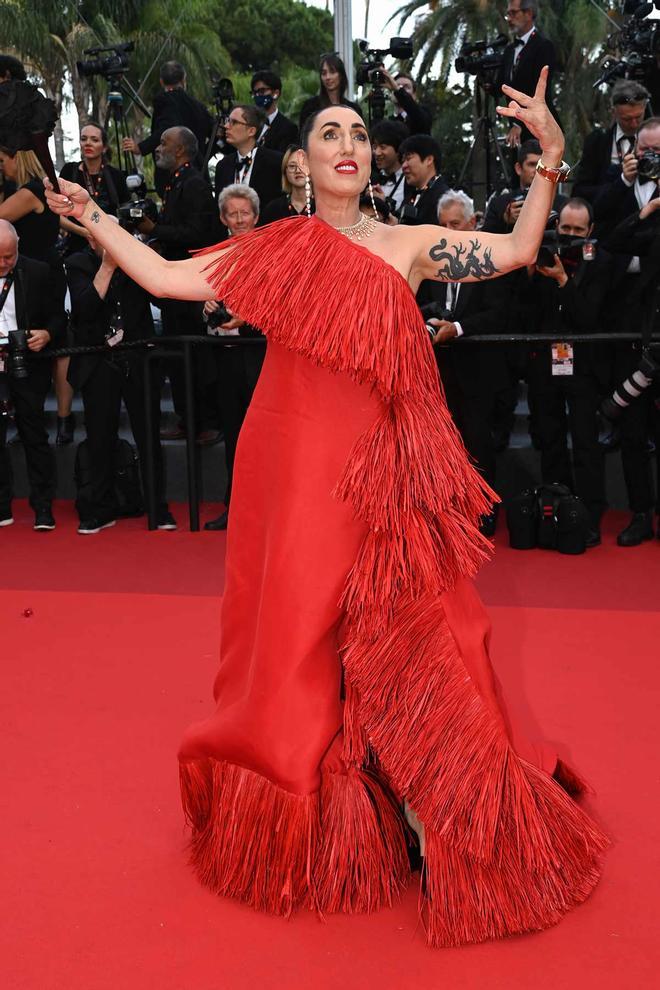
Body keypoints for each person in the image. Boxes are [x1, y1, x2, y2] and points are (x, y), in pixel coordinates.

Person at [46, 70, 608, 947]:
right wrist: (95, 218)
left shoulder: (410, 243)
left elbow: (512, 251)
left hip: (389, 482)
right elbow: (160, 278)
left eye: (354, 132)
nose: (344, 144)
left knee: (429, 635)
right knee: (302, 641)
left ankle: (442, 823)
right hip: (298, 472)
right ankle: (330, 813)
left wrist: (551, 159)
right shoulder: (272, 251)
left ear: (369, 158)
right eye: (326, 135)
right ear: (302, 163)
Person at [65, 226, 177, 534]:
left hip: (138, 358)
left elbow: (164, 294)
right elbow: (85, 310)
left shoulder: (137, 260)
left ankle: (159, 508)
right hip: (98, 360)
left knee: (149, 436)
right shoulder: (78, 264)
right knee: (100, 437)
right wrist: (107, 267)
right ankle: (100, 509)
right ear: (91, 239)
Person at [417, 190, 510, 536]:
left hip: (480, 373)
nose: (448, 231)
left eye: (454, 224)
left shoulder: (491, 260)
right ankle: (450, 511)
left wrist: (456, 328)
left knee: (479, 445)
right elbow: (425, 304)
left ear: (473, 223)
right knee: (445, 445)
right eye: (443, 225)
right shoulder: (434, 262)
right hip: (440, 374)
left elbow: (501, 313)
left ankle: (485, 512)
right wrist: (431, 322)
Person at [525, 198, 612, 545]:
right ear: (556, 226)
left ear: (590, 231)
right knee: (550, 438)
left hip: (585, 367)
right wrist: (534, 274)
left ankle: (589, 515)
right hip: (544, 365)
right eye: (565, 229)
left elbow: (589, 318)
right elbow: (525, 310)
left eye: (578, 231)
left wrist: (563, 279)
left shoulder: (601, 263)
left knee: (586, 442)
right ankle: (556, 508)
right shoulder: (542, 253)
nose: (571, 236)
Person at [137, 126, 221, 444]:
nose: (157, 147)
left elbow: (199, 233)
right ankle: (188, 419)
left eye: (163, 142)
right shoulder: (175, 182)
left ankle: (207, 422)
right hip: (174, 283)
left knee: (196, 357)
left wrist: (155, 229)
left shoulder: (195, 184)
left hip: (191, 284)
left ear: (181, 150)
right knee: (176, 354)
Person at [600, 117, 660, 546]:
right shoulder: (621, 186)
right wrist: (643, 209)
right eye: (646, 150)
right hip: (629, 328)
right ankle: (641, 513)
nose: (651, 158)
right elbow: (610, 240)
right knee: (634, 430)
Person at [204, 185, 265, 532]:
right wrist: (206, 305)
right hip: (224, 356)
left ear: (256, 217)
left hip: (258, 356)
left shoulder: (271, 255)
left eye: (245, 213)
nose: (239, 219)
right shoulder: (214, 254)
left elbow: (282, 308)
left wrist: (247, 316)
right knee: (233, 436)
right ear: (223, 218)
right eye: (233, 214)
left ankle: (266, 512)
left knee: (264, 439)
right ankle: (235, 508)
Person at [0, 149, 71, 444]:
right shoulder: (42, 189)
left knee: (53, 343)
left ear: (18, 158)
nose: (1, 167)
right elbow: (61, 221)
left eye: (2, 161)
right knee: (45, 346)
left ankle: (50, 419)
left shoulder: (28, 193)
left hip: (35, 275)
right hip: (36, 271)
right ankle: (60, 420)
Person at [0, 220, 67, 530]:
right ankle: (2, 505)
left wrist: (47, 334)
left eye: (9, 256)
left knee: (33, 433)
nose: (4, 263)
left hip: (28, 362)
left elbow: (59, 317)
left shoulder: (38, 272)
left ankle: (42, 505)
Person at [122, 60, 214, 197]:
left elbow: (166, 129)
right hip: (199, 173)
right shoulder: (197, 106)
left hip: (173, 175)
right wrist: (202, 154)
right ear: (184, 79)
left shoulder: (165, 101)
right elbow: (214, 133)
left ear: (161, 81)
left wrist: (140, 148)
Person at [573, 81, 650, 205]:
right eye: (627, 119)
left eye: (639, 117)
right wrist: (621, 181)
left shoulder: (655, 139)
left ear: (645, 107)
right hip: (607, 217)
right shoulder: (597, 142)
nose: (634, 124)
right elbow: (580, 192)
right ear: (614, 112)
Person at [496, 0, 558, 148]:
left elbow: (537, 91)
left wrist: (519, 123)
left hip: (540, 129)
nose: (509, 19)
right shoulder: (509, 50)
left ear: (528, 13)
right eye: (507, 14)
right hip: (515, 134)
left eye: (513, 13)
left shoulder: (544, 46)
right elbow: (501, 86)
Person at [60, 121, 128, 255]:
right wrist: (84, 231)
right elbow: (57, 215)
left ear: (104, 147)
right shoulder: (69, 171)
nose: (88, 143)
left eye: (94, 140)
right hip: (75, 247)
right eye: (83, 139)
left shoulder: (116, 176)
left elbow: (125, 214)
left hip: (110, 246)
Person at [213, 104, 283, 215]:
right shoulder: (223, 165)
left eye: (234, 122)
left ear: (251, 131)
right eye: (227, 121)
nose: (226, 126)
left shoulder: (275, 162)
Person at [298, 53, 363, 130]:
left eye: (332, 72)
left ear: (341, 75)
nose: (328, 77)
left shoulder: (353, 109)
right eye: (324, 73)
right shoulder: (310, 107)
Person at [398, 134, 448, 224]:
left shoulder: (444, 198)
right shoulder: (409, 197)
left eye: (408, 158)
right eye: (403, 161)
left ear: (429, 160)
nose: (404, 166)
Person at [258, 146, 310, 224]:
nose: (298, 170)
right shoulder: (273, 209)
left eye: (303, 165)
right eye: (292, 166)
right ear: (285, 172)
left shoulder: (325, 208)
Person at [250, 70, 299, 152]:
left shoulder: (288, 128)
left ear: (276, 93)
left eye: (262, 91)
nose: (257, 96)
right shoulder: (248, 122)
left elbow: (283, 159)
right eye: (255, 93)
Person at [370, 119, 409, 216]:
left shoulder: (410, 182)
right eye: (374, 147)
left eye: (383, 147)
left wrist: (383, 203)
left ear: (398, 148)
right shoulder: (370, 180)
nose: (377, 153)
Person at [380, 70, 432, 135]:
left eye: (406, 87)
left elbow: (417, 116)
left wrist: (397, 89)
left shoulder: (423, 114)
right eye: (397, 85)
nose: (401, 89)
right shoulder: (388, 122)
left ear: (414, 95)